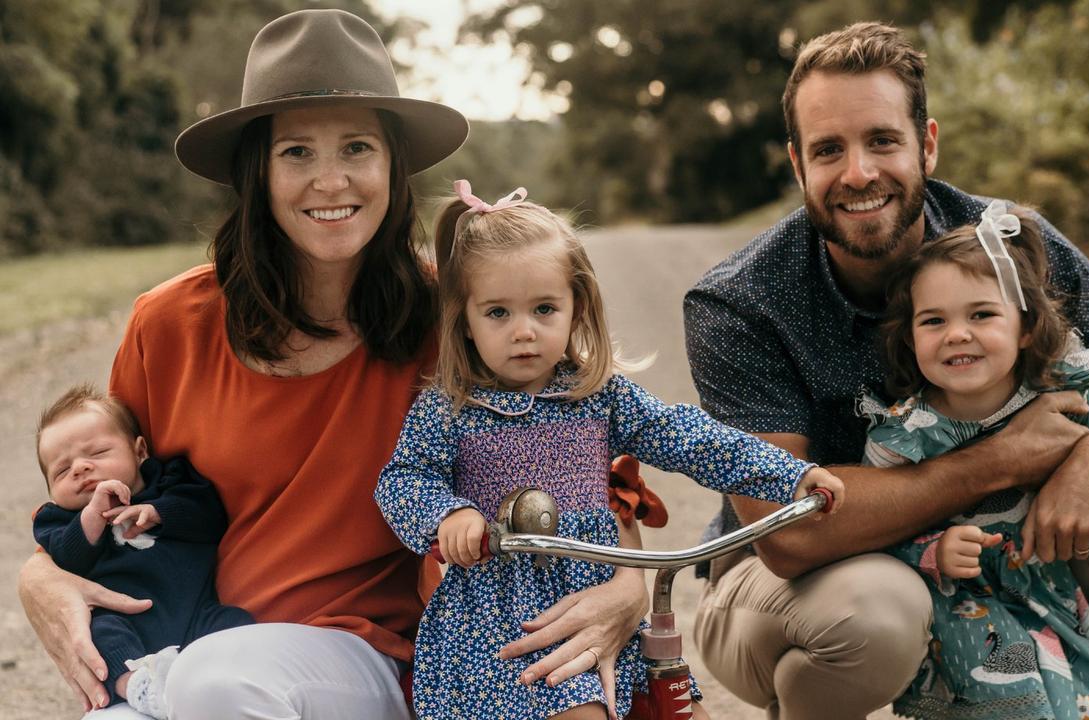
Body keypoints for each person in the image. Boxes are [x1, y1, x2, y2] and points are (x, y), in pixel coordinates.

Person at [18, 10, 646, 719]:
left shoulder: (462, 319)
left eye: (356, 147)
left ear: (392, 166)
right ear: (257, 170)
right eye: (296, 153)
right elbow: (108, 488)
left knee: (222, 684)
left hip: (365, 656)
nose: (330, 180)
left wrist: (628, 581)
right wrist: (38, 577)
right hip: (190, 643)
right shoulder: (166, 325)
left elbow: (587, 461)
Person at [685, 21, 1089, 720]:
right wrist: (995, 461)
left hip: (1005, 556)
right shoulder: (739, 302)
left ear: (927, 144)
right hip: (797, 587)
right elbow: (787, 533)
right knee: (880, 611)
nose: (858, 173)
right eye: (828, 150)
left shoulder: (1009, 247)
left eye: (882, 140)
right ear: (798, 165)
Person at [375, 181, 845, 720]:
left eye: (544, 309)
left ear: (578, 309)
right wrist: (447, 514)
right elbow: (403, 478)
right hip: (496, 615)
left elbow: (688, 435)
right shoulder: (449, 408)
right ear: (465, 320)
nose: (523, 332)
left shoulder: (599, 397)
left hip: (593, 591)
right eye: (498, 313)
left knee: (678, 708)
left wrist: (786, 474)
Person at [860, 202, 1089, 719]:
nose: (957, 333)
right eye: (933, 320)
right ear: (910, 336)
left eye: (982, 314)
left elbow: (1088, 451)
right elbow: (869, 529)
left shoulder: (1055, 398)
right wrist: (931, 550)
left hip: (1046, 591)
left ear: (1027, 326)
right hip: (964, 611)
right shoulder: (906, 435)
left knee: (1082, 705)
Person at [32, 384, 254, 719]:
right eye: (62, 470)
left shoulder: (170, 482)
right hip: (125, 626)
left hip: (196, 612)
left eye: (96, 453)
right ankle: (137, 686)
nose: (80, 468)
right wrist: (91, 516)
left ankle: (238, 686)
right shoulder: (58, 520)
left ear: (139, 452)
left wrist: (160, 512)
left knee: (239, 624)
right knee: (96, 636)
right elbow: (65, 559)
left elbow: (209, 515)